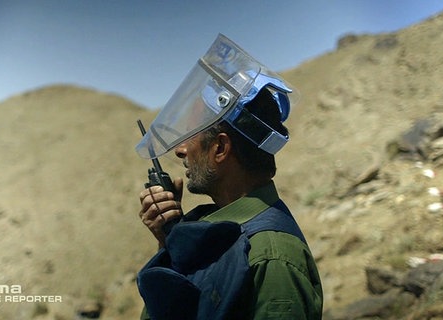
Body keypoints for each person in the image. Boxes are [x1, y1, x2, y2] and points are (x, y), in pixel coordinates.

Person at [136, 34, 323, 319]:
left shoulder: (272, 257)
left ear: (220, 148)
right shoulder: (219, 231)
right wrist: (169, 240)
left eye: (191, 135)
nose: (181, 149)